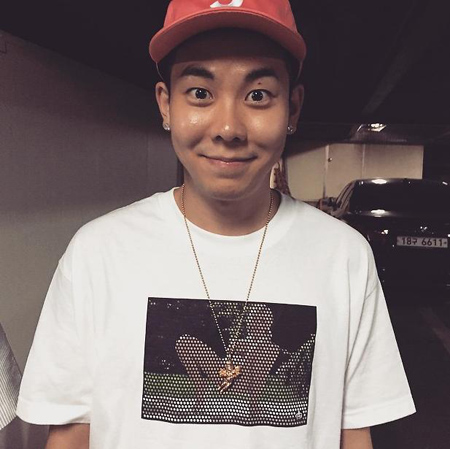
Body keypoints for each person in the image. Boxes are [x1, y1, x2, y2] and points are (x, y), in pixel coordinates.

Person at [17, 0, 416, 448]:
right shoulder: (98, 252)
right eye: (200, 93)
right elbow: (72, 433)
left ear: (293, 108)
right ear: (166, 105)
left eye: (258, 95)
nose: (228, 128)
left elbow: (353, 434)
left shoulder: (344, 256)